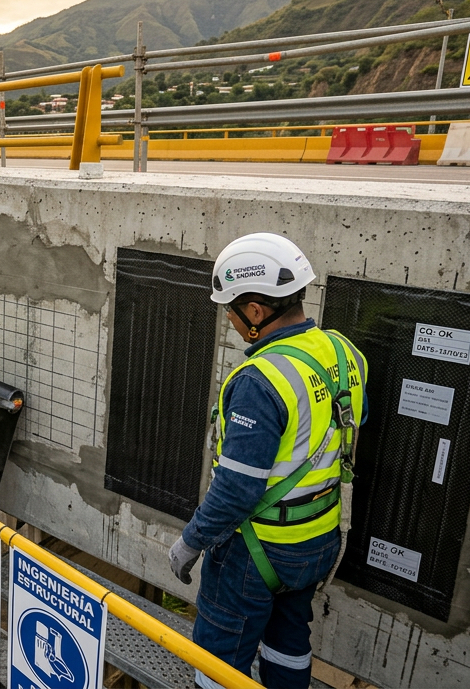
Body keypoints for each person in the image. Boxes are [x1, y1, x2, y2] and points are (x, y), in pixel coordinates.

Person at [168, 233, 368, 689]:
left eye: (232, 310)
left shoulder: (261, 380)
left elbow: (237, 488)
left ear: (256, 312)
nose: (231, 320)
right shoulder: (342, 351)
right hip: (318, 538)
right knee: (289, 640)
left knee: (219, 658)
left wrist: (191, 542)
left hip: (256, 548)